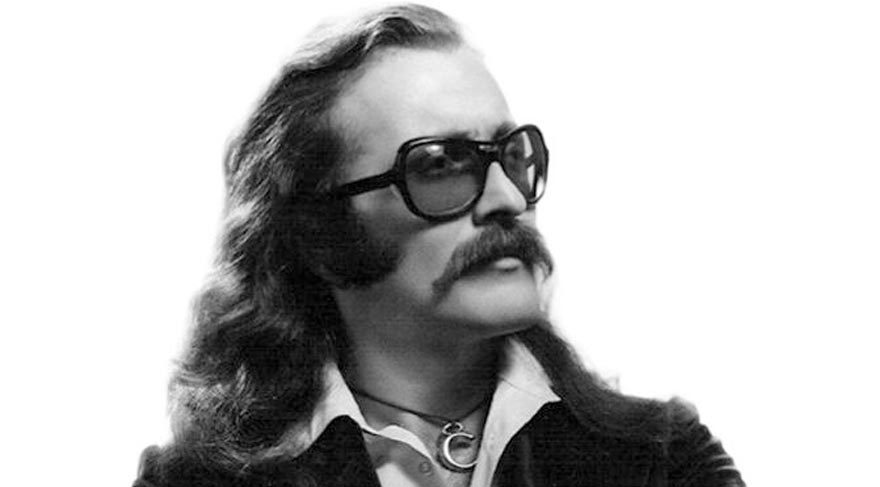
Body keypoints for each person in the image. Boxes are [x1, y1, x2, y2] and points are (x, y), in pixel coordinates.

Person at [133, 5, 744, 487]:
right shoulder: (199, 480)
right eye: (439, 165)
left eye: (512, 155)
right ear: (319, 232)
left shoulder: (662, 459)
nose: (507, 197)